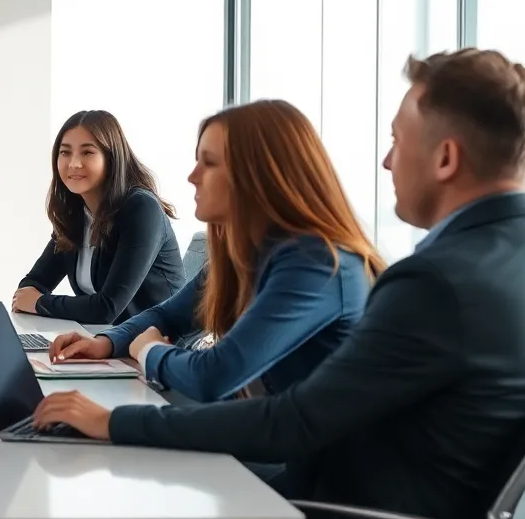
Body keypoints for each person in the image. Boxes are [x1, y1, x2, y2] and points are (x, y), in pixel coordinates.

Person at [33, 49, 525, 519]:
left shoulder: (427, 280)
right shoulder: (496, 260)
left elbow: (293, 423)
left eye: (397, 140)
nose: (387, 163)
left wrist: (114, 419)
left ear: (444, 159)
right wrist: (115, 345)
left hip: (339, 501)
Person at [47, 100, 383, 402]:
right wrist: (104, 343)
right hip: (253, 428)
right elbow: (167, 315)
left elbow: (214, 376)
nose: (192, 176)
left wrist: (149, 351)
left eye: (208, 163)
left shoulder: (317, 265)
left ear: (260, 174)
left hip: (305, 463)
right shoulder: (247, 255)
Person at [12, 110, 185, 324]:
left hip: (158, 345)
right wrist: (31, 298)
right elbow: (33, 284)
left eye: (87, 152)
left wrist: (39, 303)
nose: (74, 163)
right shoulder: (76, 212)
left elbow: (107, 308)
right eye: (65, 152)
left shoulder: (141, 209)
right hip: (106, 340)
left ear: (112, 158)